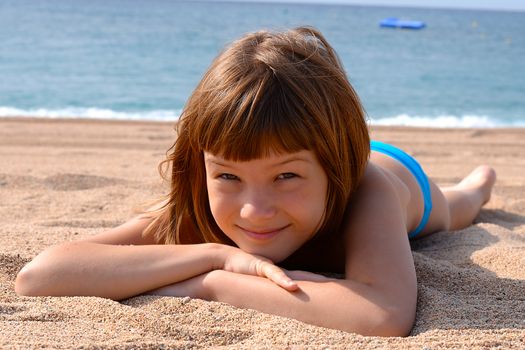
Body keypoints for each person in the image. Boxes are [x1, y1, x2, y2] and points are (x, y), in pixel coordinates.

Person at [15, 26, 496, 337]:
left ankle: (481, 179)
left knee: (457, 207)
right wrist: (216, 253)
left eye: (286, 176)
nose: (253, 210)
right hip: (325, 144)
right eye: (226, 175)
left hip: (398, 173)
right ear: (200, 166)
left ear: (335, 171)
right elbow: (40, 276)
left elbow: (381, 315)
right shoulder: (201, 205)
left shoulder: (367, 192)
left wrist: (210, 284)